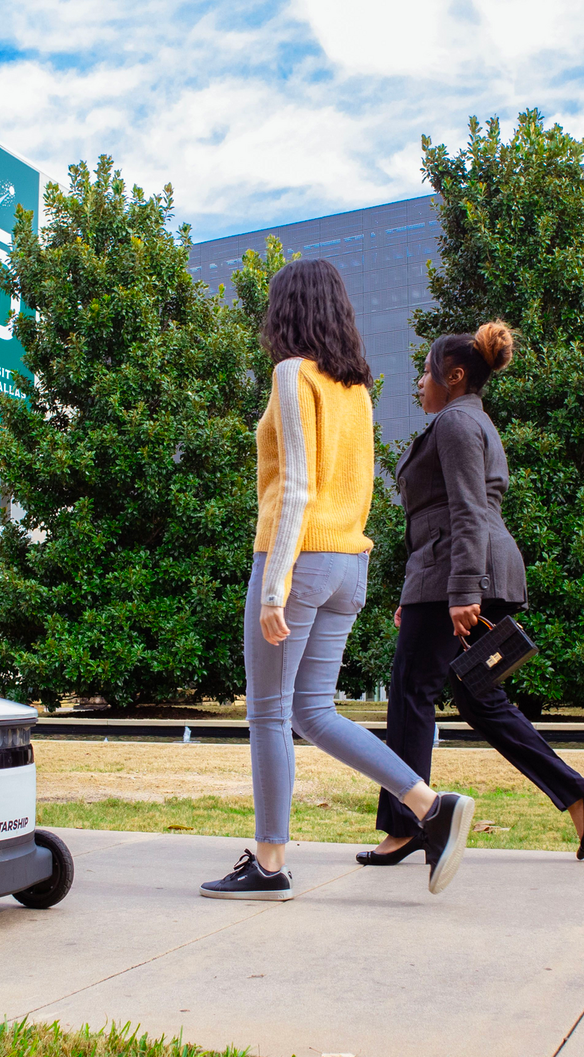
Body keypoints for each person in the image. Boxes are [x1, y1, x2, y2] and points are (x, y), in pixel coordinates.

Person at [199, 258, 475, 902]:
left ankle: (268, 865)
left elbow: (296, 486)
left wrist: (273, 585)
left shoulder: (293, 375)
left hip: (297, 559)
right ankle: (430, 806)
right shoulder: (356, 390)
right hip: (350, 563)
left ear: (285, 310)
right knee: (313, 711)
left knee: (268, 712)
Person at [360, 322, 584, 868]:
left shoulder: (455, 421)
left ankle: (408, 826)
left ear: (453, 377)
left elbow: (468, 511)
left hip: (459, 572)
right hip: (455, 572)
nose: (419, 384)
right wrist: (425, 589)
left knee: (410, 692)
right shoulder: (468, 420)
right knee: (479, 698)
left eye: (425, 374)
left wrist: (460, 591)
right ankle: (577, 795)